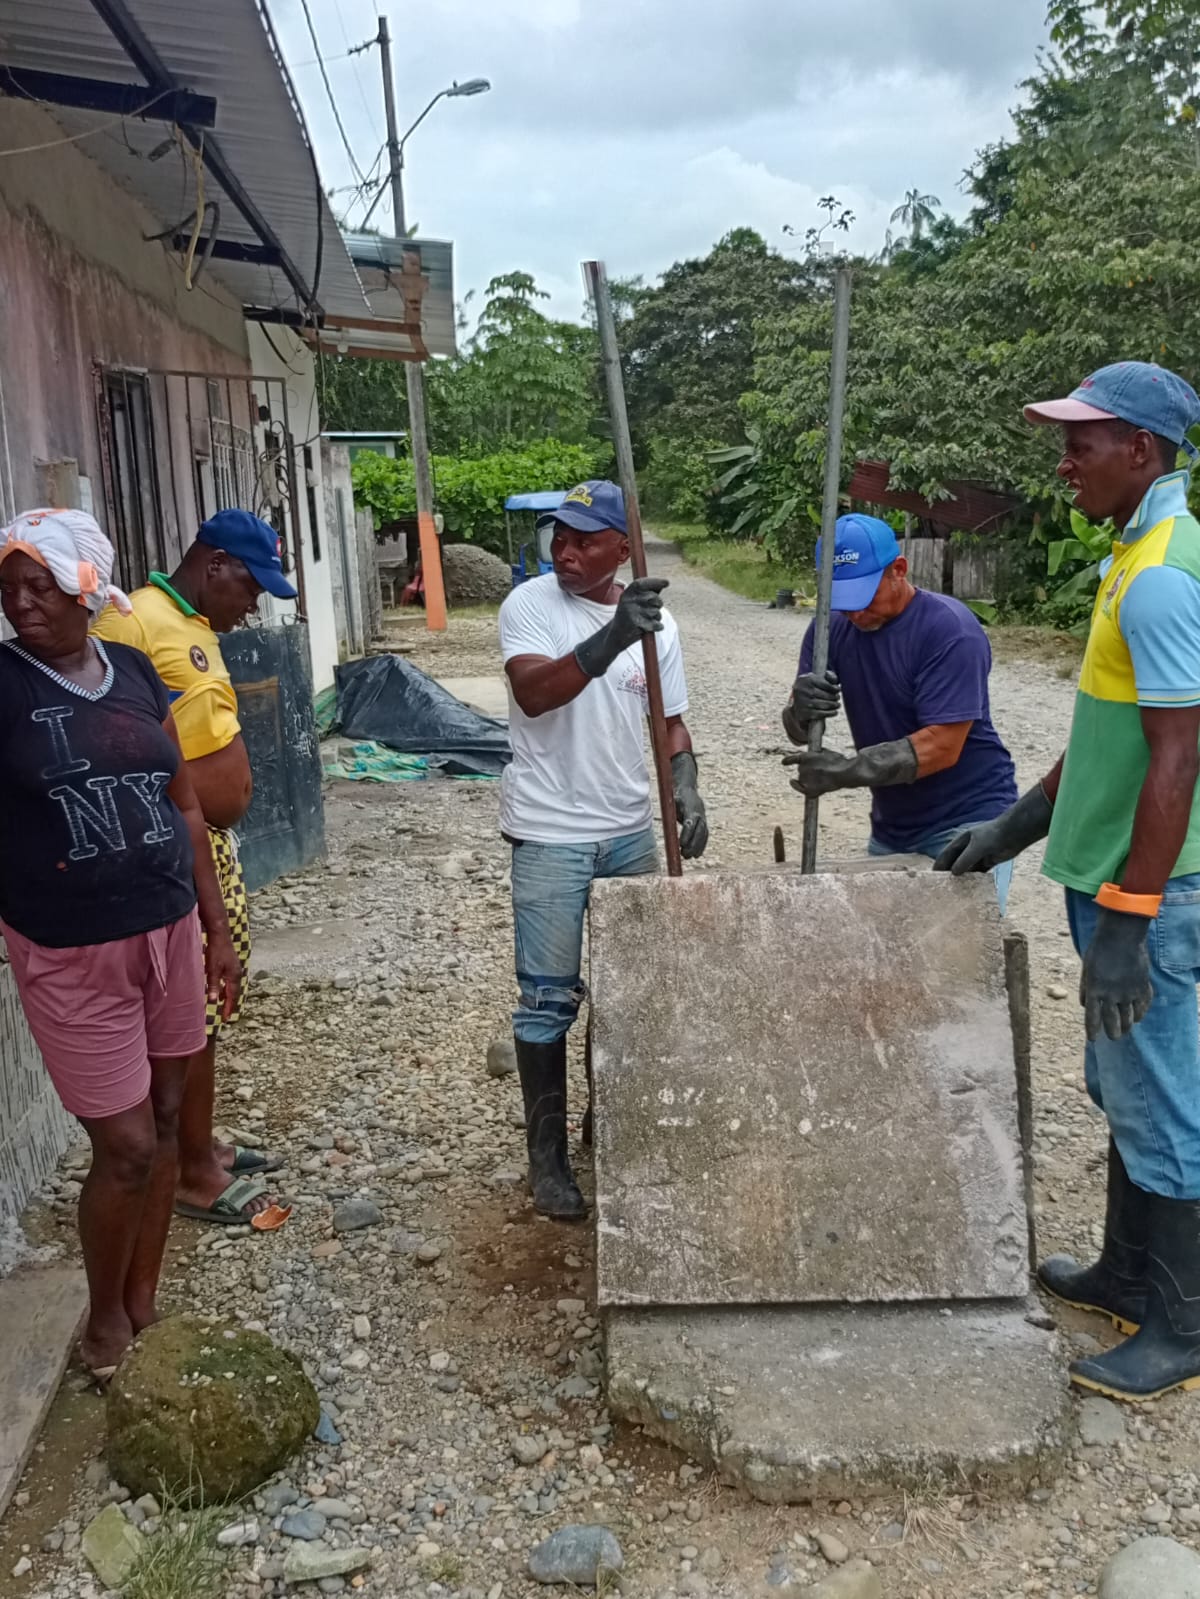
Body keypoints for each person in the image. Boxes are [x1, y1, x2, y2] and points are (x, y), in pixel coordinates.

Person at [937, 360, 1200, 1402]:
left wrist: (1132, 917)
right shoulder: (1132, 556)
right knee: (1121, 1084)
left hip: (1150, 895)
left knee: (1162, 1098)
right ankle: (1128, 1273)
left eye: (1080, 444)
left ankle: (1182, 1328)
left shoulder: (1164, 574)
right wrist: (1009, 828)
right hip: (1114, 882)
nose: (1064, 463)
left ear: (1139, 449)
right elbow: (1104, 741)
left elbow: (1179, 755)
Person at [0, 509, 240, 1379]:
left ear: (88, 590)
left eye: (42, 585)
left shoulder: (134, 670)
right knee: (129, 1144)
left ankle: (144, 1300)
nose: (22, 603)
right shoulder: (4, 684)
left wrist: (216, 930)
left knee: (169, 1117)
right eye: (10, 586)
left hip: (168, 930)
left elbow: (184, 802)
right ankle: (104, 1319)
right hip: (70, 950)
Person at [499, 480, 708, 1222]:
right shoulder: (530, 604)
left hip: (628, 831)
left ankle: (611, 1117)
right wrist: (613, 636)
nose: (565, 550)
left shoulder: (660, 624)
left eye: (584, 540)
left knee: (633, 990)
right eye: (559, 536)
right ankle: (547, 1161)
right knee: (547, 999)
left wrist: (686, 783)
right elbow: (534, 692)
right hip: (550, 830)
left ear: (623, 547)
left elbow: (668, 720)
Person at [93, 509, 297, 1224]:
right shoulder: (133, 622)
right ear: (214, 565)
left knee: (211, 1001)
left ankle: (198, 1144)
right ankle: (191, 1173)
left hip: (207, 844)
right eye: (250, 586)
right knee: (192, 1010)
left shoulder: (195, 624)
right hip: (170, 846)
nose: (253, 605)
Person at [781, 513, 1018, 909]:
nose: (854, 612)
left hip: (968, 819)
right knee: (889, 940)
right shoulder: (829, 628)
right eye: (841, 598)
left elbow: (942, 746)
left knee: (957, 942)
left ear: (899, 570)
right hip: (892, 826)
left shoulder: (949, 630)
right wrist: (799, 711)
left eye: (863, 595)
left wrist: (845, 771)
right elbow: (798, 730)